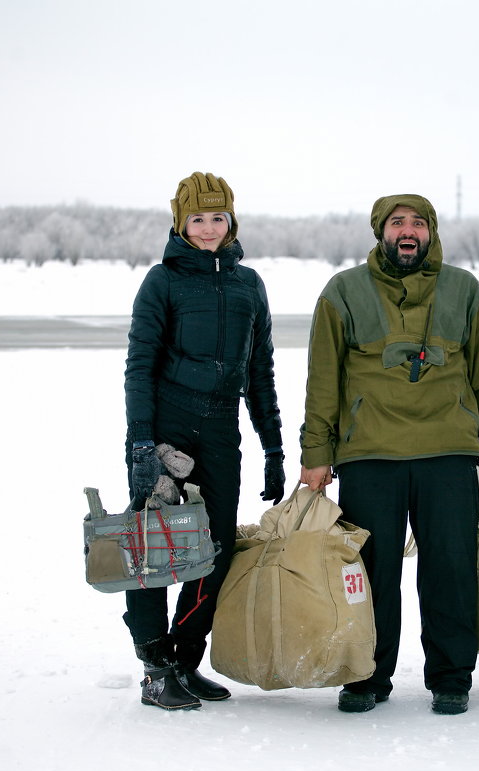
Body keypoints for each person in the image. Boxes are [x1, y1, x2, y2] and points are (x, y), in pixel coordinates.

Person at [300, 193, 479, 716]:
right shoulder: (343, 292)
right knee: (371, 572)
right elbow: (323, 380)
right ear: (381, 232)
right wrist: (316, 453)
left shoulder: (464, 290)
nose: (408, 231)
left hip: (448, 451)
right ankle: (367, 676)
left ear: (432, 232)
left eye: (418, 222)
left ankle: (450, 676)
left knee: (451, 568)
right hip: (370, 454)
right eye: (397, 223)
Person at [123, 172, 286, 710]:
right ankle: (154, 668)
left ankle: (185, 662)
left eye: (218, 218)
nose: (209, 227)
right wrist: (142, 445)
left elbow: (259, 371)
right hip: (168, 426)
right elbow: (140, 367)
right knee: (155, 546)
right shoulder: (161, 282)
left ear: (231, 221)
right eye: (198, 218)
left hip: (221, 431)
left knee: (214, 550)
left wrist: (273, 447)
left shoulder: (249, 285)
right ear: (180, 222)